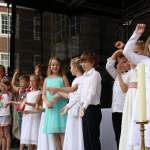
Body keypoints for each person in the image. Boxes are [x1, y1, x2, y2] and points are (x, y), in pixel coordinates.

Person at [123, 24, 150, 150]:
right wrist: (136, 34)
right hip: (144, 104)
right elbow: (126, 51)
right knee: (143, 140)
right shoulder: (144, 60)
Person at [52, 57, 84, 150]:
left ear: (75, 67)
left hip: (76, 110)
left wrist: (67, 106)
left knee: (76, 134)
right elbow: (71, 96)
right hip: (73, 110)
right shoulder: (76, 80)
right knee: (72, 134)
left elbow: (76, 97)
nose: (70, 70)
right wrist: (58, 93)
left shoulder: (79, 80)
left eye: (71, 67)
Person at [119, 40, 145, 150]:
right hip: (130, 101)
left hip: (140, 99)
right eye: (133, 54)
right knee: (128, 125)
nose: (134, 56)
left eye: (137, 53)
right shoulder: (131, 71)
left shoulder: (144, 67)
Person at [42, 57, 70, 150]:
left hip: (61, 109)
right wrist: (47, 103)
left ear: (60, 66)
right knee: (55, 136)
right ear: (50, 66)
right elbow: (43, 94)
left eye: (57, 65)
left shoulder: (63, 78)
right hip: (51, 110)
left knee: (63, 135)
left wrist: (56, 97)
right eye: (53, 65)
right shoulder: (46, 80)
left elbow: (69, 93)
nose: (55, 66)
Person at [106, 50, 130, 148]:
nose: (122, 64)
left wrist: (119, 74)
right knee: (117, 137)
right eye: (120, 62)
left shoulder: (131, 73)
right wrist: (117, 52)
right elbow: (108, 66)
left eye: (124, 61)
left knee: (125, 138)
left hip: (125, 111)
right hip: (115, 111)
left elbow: (124, 89)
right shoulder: (117, 74)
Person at [78, 51, 102, 150]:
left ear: (92, 62)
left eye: (85, 61)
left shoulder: (95, 74)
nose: (82, 64)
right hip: (85, 109)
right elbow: (80, 93)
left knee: (93, 139)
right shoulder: (84, 76)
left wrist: (84, 107)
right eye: (81, 62)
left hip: (92, 109)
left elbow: (91, 93)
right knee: (86, 139)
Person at [20, 74, 42, 150]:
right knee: (29, 137)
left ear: (38, 82)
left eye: (34, 81)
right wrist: (12, 102)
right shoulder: (28, 93)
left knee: (35, 137)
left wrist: (26, 103)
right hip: (27, 116)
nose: (31, 82)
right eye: (30, 81)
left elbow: (35, 104)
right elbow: (22, 103)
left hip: (35, 116)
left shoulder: (39, 92)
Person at [0, 79, 12, 150]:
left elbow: (9, 97)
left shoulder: (9, 94)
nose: (2, 88)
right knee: (2, 134)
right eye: (1, 86)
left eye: (3, 86)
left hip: (6, 116)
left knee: (7, 133)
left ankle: (7, 148)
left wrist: (5, 89)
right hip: (0, 115)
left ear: (8, 87)